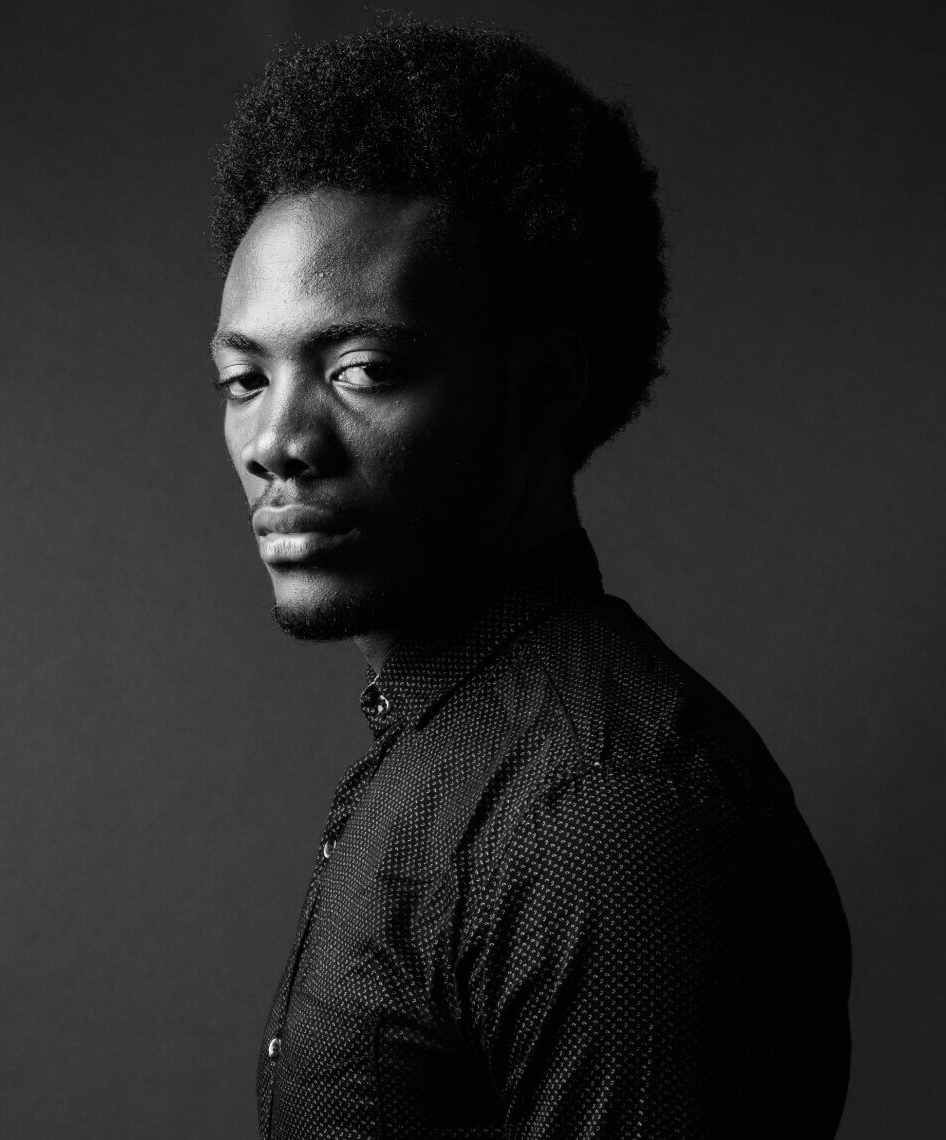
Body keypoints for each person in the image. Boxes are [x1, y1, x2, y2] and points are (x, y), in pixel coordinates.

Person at [208, 16, 851, 1139]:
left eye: (362, 369)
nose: (278, 442)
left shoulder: (609, 820)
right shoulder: (454, 754)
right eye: (245, 380)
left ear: (541, 390)